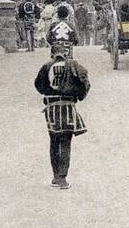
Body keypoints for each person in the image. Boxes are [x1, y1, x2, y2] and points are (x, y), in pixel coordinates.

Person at [35, 43, 90, 189]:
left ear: (52, 54)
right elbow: (85, 81)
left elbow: (38, 85)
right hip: (67, 107)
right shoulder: (73, 65)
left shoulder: (46, 66)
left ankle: (55, 176)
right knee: (66, 142)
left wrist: (49, 92)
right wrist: (79, 95)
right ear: (66, 52)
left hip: (52, 108)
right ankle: (63, 178)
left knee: (54, 140)